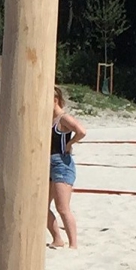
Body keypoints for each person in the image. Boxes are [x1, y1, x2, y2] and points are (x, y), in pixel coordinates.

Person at [48, 85, 88, 249]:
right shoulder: (47, 118)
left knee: (62, 207)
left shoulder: (63, 119)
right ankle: (57, 238)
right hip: (48, 163)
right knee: (41, 207)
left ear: (55, 100)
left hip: (62, 163)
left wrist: (70, 144)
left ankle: (73, 244)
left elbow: (81, 131)